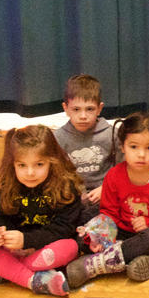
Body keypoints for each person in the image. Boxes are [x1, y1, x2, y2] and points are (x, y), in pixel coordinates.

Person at [0, 125, 83, 296]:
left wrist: (27, 240)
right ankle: (34, 281)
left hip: (46, 247)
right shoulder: (9, 186)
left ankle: (0, 271)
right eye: (22, 165)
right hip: (14, 249)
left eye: (39, 164)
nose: (30, 173)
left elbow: (64, 229)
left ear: (52, 161)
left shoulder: (66, 188)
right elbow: (3, 217)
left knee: (71, 247)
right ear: (13, 164)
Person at [66, 113, 149, 287]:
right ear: (122, 147)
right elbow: (108, 211)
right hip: (121, 231)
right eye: (134, 147)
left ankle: (97, 264)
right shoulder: (114, 175)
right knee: (84, 237)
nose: (141, 154)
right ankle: (142, 257)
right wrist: (102, 236)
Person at [54, 74, 118, 222]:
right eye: (76, 109)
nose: (83, 116)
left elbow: (122, 169)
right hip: (74, 197)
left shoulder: (112, 134)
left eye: (89, 109)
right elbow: (59, 174)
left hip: (105, 195)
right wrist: (76, 193)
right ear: (66, 108)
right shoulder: (58, 138)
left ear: (99, 109)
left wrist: (106, 188)